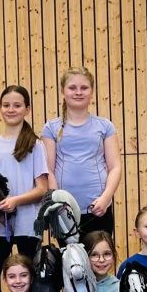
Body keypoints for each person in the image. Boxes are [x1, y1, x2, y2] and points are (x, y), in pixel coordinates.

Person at [0, 85, 48, 292]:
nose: (11, 109)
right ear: (0, 109)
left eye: (17, 105)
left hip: (29, 224)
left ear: (27, 109)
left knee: (31, 280)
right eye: (6, 105)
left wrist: (15, 201)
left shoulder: (35, 146)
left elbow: (42, 189)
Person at [41, 66, 122, 235]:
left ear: (91, 92)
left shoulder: (105, 126)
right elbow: (48, 169)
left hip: (98, 208)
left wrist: (106, 198)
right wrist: (58, 201)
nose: (78, 92)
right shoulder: (51, 127)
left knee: (99, 259)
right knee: (69, 260)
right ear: (63, 91)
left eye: (84, 88)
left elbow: (115, 166)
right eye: (72, 88)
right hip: (65, 211)